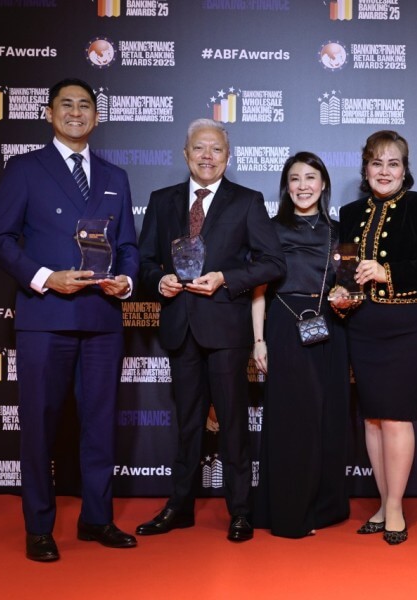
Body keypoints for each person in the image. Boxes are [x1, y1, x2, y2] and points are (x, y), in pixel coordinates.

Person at [0, 78, 139, 562]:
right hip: (45, 318)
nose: (77, 112)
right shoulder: (24, 169)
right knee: (39, 425)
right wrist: (46, 277)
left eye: (86, 105)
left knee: (99, 425)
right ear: (49, 114)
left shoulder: (115, 176)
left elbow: (130, 248)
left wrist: (127, 283)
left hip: (101, 319)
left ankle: (97, 519)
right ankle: (38, 526)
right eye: (66, 105)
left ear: (97, 115)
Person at [136, 118, 285, 542]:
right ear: (185, 154)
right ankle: (179, 507)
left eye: (216, 149)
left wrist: (226, 277)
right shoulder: (162, 200)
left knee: (234, 422)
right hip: (180, 326)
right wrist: (157, 280)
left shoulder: (247, 200)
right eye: (199, 149)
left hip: (225, 327)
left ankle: (240, 511)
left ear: (228, 156)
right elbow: (144, 261)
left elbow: (274, 263)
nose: (207, 156)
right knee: (186, 424)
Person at [336, 130, 417, 545]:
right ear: (365, 169)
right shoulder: (349, 212)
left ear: (405, 170)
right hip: (363, 325)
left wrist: (389, 273)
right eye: (376, 163)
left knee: (398, 416)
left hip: (408, 322)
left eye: (393, 163)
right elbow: (346, 272)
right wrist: (342, 295)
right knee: (372, 417)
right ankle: (383, 503)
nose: (384, 171)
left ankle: (397, 507)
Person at [251, 152, 350, 538]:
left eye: (311, 177)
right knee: (292, 420)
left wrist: (346, 296)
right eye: (295, 179)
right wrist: (258, 341)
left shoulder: (338, 231)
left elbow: (347, 284)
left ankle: (324, 508)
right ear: (286, 186)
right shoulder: (269, 228)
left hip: (330, 327)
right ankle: (289, 512)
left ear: (323, 183)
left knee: (328, 417)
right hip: (283, 323)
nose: (303, 186)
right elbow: (258, 289)